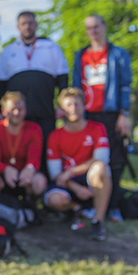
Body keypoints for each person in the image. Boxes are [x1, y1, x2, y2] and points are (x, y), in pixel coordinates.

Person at [72, 14, 132, 222]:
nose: (93, 31)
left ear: (104, 27)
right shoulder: (80, 56)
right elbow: (75, 88)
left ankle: (113, 206)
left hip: (111, 114)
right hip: (87, 115)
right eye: (89, 28)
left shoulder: (117, 54)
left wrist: (124, 114)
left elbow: (125, 85)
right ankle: (90, 205)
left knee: (114, 160)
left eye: (96, 27)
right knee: (88, 160)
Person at [0, 11, 69, 174]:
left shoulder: (51, 48)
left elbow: (63, 80)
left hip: (45, 111)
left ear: (36, 25)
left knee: (45, 147)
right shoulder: (8, 51)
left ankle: (44, 186)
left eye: (30, 23)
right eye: (24, 23)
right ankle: (18, 187)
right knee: (19, 148)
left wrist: (62, 106)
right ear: (18, 26)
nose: (27, 26)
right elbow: (0, 85)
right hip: (18, 114)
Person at [45, 88, 112, 241]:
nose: (73, 108)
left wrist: (71, 171)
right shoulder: (55, 135)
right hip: (68, 184)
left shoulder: (97, 128)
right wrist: (74, 185)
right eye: (69, 105)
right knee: (54, 199)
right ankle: (75, 208)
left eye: (77, 104)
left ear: (84, 106)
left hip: (90, 179)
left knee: (101, 169)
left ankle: (97, 221)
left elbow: (101, 159)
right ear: (62, 109)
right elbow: (55, 173)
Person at [0, 92, 47, 201]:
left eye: (20, 109)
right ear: (4, 111)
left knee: (39, 182)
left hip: (25, 175)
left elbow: (34, 159)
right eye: (12, 109)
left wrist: (29, 168)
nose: (16, 113)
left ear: (25, 110)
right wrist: (6, 169)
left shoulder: (34, 129)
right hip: (3, 175)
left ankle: (31, 208)